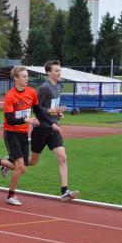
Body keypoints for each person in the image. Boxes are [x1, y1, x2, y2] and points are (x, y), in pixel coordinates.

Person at [0, 66, 60, 206]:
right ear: (16, 78)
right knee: (20, 167)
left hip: (23, 133)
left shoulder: (32, 92)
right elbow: (9, 119)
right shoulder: (10, 95)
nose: (27, 79)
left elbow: (38, 111)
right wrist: (26, 120)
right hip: (11, 133)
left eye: (27, 76)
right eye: (24, 76)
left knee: (23, 168)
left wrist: (51, 122)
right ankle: (10, 196)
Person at [29, 60, 79, 201]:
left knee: (63, 158)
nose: (59, 73)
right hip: (41, 130)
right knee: (32, 162)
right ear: (49, 73)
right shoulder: (44, 88)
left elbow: (51, 107)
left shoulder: (59, 87)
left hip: (53, 129)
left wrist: (58, 113)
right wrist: (51, 123)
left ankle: (64, 191)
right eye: (56, 71)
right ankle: (5, 162)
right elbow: (37, 110)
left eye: (59, 70)